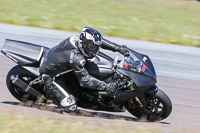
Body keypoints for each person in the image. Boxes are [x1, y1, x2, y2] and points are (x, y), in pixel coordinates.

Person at [39, 26, 129, 112]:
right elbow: (85, 81)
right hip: (50, 75)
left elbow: (101, 42)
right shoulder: (76, 58)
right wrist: (106, 86)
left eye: (95, 47)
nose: (94, 50)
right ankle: (52, 96)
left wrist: (119, 48)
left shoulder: (78, 40)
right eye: (91, 47)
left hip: (58, 63)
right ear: (83, 44)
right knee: (70, 107)